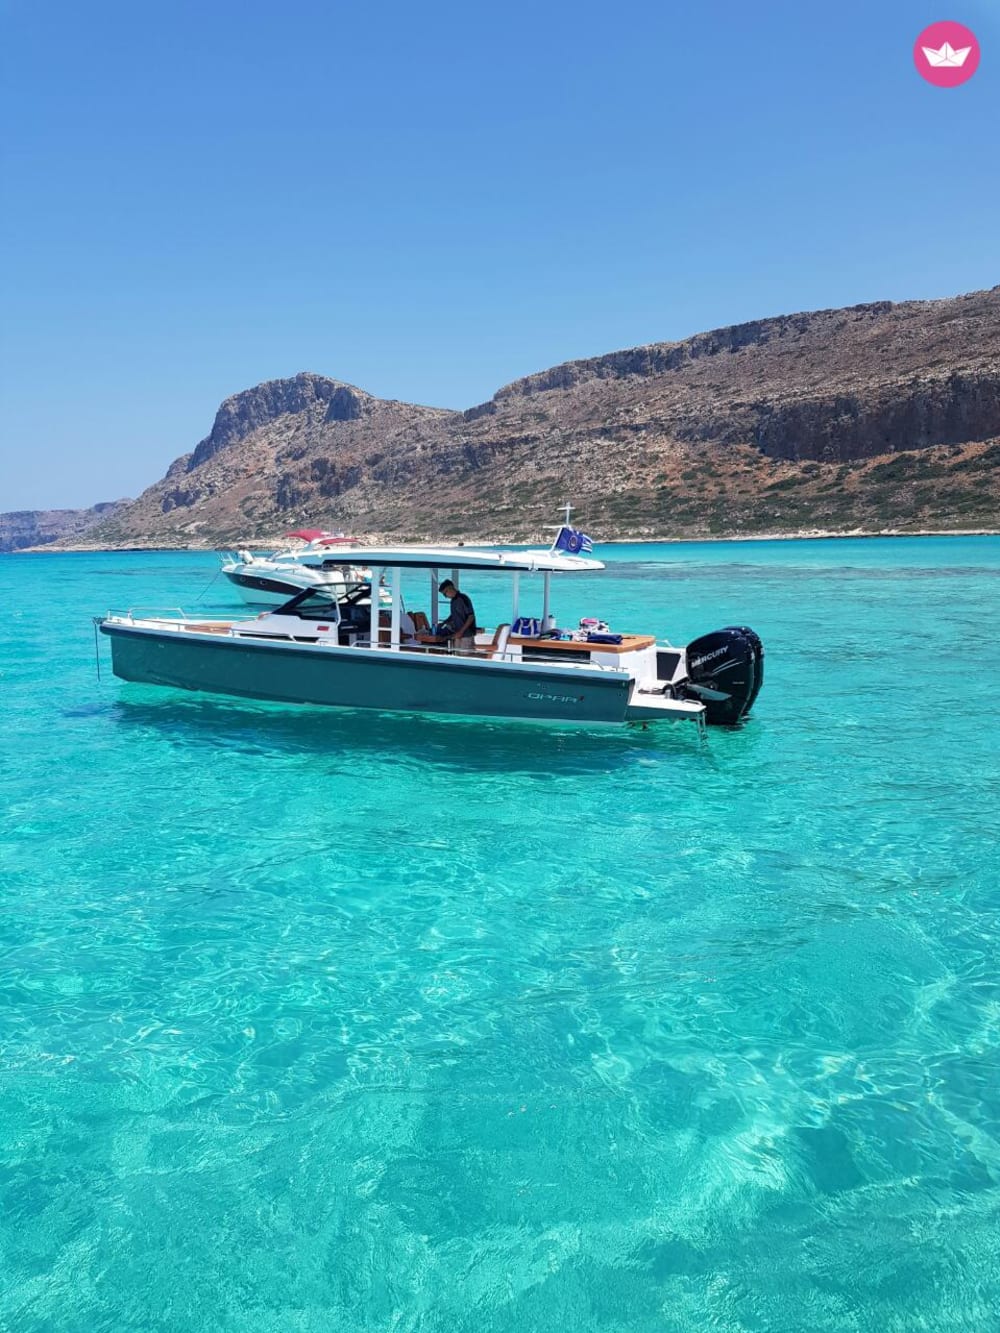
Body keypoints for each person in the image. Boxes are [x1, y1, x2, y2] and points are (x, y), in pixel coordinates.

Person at [435, 579, 476, 650]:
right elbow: (453, 615)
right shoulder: (453, 601)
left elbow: (471, 616)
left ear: (450, 588)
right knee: (457, 655)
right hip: (457, 634)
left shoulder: (463, 598)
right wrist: (444, 623)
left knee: (465, 657)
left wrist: (461, 632)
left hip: (466, 634)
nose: (445, 596)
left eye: (445, 593)